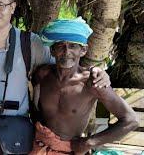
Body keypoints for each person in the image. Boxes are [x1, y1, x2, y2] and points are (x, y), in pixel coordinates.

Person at [0, 0, 111, 155]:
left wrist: (95, 72)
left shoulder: (30, 43)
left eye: (0, 5)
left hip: (14, 133)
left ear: (12, 7)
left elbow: (65, 65)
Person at [29, 18, 139, 155]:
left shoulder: (92, 82)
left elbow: (131, 120)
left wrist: (89, 142)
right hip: (40, 144)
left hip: (70, 149)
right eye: (60, 45)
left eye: (73, 46)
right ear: (52, 50)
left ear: (83, 50)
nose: (66, 51)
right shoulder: (42, 75)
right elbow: (32, 104)